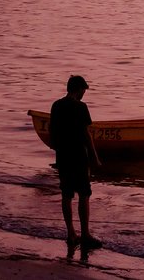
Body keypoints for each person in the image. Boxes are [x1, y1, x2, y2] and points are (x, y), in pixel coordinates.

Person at [49, 75, 103, 252]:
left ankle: (70, 233)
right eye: (83, 90)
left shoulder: (56, 106)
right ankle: (85, 234)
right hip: (79, 156)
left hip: (63, 156)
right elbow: (86, 135)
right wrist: (94, 157)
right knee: (84, 194)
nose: (84, 93)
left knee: (66, 194)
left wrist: (58, 150)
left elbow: (52, 132)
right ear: (78, 89)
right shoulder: (81, 107)